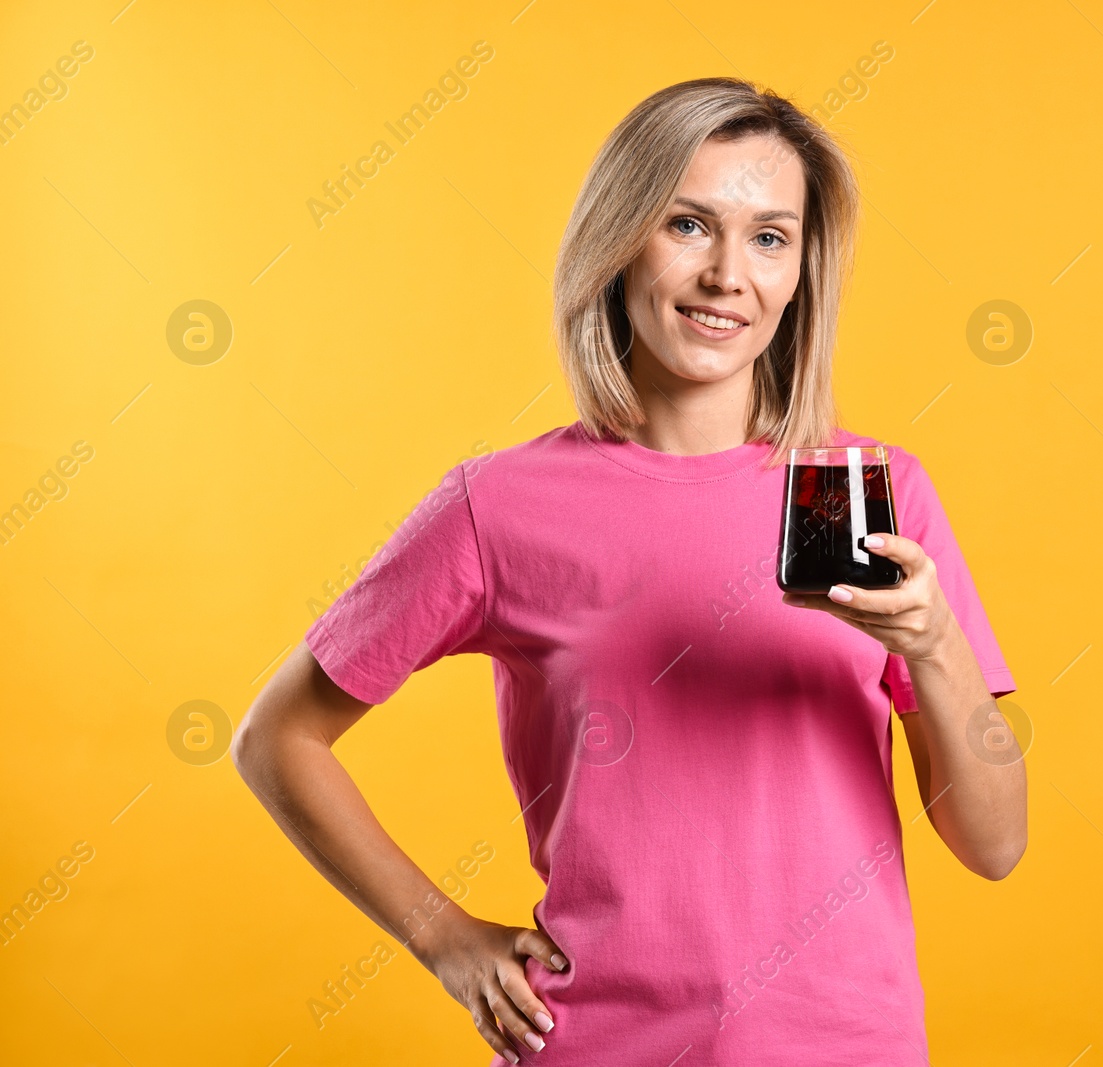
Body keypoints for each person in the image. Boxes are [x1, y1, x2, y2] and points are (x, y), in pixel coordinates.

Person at [232, 76, 1025, 1065]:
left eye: (769, 237)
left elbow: (993, 844)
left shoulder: (862, 492)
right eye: (688, 224)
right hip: (598, 1043)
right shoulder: (501, 506)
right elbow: (278, 737)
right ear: (620, 238)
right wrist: (441, 934)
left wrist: (933, 640)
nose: (728, 273)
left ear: (800, 274)